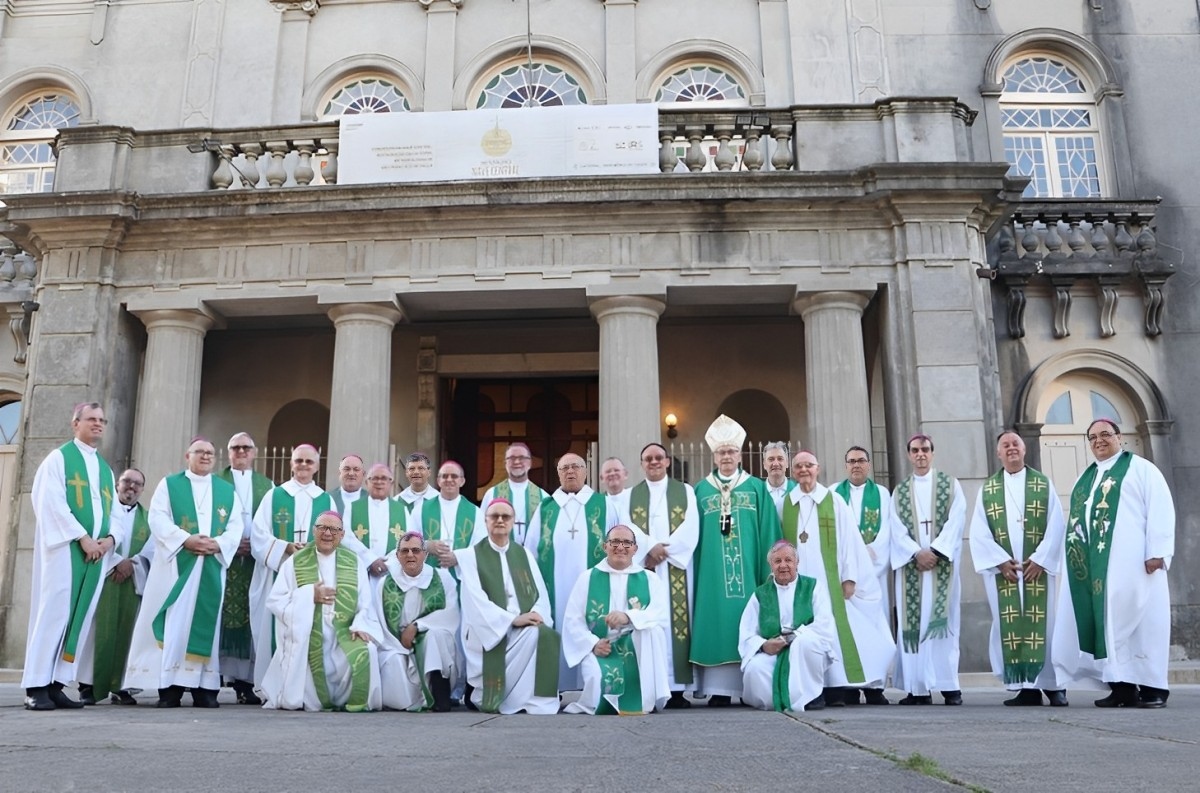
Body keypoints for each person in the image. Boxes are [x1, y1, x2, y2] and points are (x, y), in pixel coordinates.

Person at [1052, 419, 1176, 709]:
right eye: (1093, 437)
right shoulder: (1087, 478)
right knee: (1108, 627)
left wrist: (1158, 551)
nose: (1099, 440)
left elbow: (1160, 507)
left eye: (1105, 434)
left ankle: (1154, 688)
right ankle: (1121, 687)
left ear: (1120, 437)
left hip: (1137, 567)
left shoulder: (1142, 469)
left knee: (1144, 626)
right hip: (1099, 572)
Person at [124, 437, 247, 708]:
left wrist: (218, 544)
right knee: (174, 623)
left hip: (210, 565)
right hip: (175, 568)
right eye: (199, 452)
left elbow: (235, 525)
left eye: (210, 453)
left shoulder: (226, 490)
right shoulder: (169, 485)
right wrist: (185, 540)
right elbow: (157, 518)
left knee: (205, 623)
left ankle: (204, 687)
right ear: (187, 456)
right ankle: (170, 688)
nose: (206, 456)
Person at [23, 403, 123, 711]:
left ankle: (56, 685)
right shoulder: (59, 459)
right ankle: (36, 686)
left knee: (80, 616)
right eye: (91, 419)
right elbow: (50, 502)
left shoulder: (105, 470)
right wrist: (82, 538)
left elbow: (115, 513)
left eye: (102, 420)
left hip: (95, 556)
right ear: (75, 423)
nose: (98, 424)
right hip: (66, 551)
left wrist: (110, 540)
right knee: (54, 614)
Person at [783, 450, 894, 706]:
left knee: (834, 631)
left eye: (809, 465)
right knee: (805, 631)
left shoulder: (833, 500)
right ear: (793, 471)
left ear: (818, 468)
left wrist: (850, 577)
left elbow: (849, 541)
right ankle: (814, 688)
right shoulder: (787, 503)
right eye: (798, 466)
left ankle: (835, 687)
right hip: (800, 584)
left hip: (829, 580)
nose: (804, 470)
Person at [969, 431, 1068, 706]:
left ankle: (1054, 687)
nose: (1011, 448)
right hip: (1006, 573)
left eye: (1016, 444)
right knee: (1011, 626)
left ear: (1024, 450)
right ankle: (1026, 688)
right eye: (1005, 445)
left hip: (1038, 571)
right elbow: (978, 532)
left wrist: (1041, 559)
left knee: (1045, 626)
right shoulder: (988, 489)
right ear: (998, 453)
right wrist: (1000, 562)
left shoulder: (1042, 484)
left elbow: (1056, 524)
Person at [691, 414, 782, 706]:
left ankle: (747, 688)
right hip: (712, 577)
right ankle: (718, 690)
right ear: (714, 456)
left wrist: (769, 572)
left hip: (749, 573)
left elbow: (769, 530)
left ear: (740, 455)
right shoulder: (700, 490)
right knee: (716, 622)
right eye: (721, 452)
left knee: (750, 621)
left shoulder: (756, 488)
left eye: (731, 451)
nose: (726, 456)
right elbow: (692, 539)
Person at [261, 511, 382, 712]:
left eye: (334, 529)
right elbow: (275, 601)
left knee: (367, 649)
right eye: (322, 528)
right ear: (313, 531)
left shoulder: (354, 562)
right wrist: (309, 596)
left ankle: (354, 700)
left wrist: (360, 625)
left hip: (344, 631)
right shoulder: (295, 562)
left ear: (342, 535)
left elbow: (365, 603)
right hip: (308, 633)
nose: (327, 533)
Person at [456, 498, 559, 714]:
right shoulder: (470, 556)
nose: (500, 520)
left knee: (544, 634)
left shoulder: (524, 554)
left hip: (522, 627)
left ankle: (530, 699)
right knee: (528, 636)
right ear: (486, 521)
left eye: (506, 517)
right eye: (494, 516)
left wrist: (536, 613)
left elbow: (540, 593)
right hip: (490, 630)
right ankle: (496, 696)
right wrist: (512, 620)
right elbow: (475, 600)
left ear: (513, 522)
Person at [888, 433, 966, 705]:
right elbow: (895, 529)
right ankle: (918, 689)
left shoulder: (950, 485)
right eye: (915, 450)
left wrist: (935, 551)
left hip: (940, 566)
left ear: (932, 453)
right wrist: (915, 553)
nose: (920, 454)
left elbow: (956, 521)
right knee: (914, 628)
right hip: (912, 567)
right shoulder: (900, 491)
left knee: (943, 627)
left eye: (925, 449)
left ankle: (950, 687)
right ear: (909, 455)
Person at [621, 442, 699, 708]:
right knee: (648, 623)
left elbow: (691, 527)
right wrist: (648, 548)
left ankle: (676, 690)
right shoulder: (629, 496)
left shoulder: (685, 491)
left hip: (676, 569)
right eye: (648, 459)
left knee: (676, 625)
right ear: (642, 464)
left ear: (667, 462)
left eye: (658, 458)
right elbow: (627, 528)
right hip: (645, 569)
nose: (653, 462)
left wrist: (663, 551)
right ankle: (648, 685)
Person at [562, 525, 670, 715]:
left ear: (635, 549)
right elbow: (573, 620)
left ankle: (644, 698)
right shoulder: (587, 578)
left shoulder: (649, 579)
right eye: (615, 542)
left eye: (627, 543)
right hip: (602, 648)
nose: (621, 547)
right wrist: (592, 644)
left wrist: (628, 617)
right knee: (598, 686)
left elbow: (660, 613)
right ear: (605, 546)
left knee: (653, 631)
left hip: (637, 646)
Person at [249, 444, 333, 686]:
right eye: (299, 461)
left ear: (317, 466)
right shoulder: (274, 496)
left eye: (309, 461)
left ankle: (305, 686)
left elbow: (338, 535)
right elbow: (258, 534)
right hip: (279, 573)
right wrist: (285, 547)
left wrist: (315, 550)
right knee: (274, 626)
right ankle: (272, 685)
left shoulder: (325, 499)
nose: (303, 465)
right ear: (291, 464)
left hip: (314, 573)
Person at [533, 452, 607, 691]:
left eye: (576, 466)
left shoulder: (604, 505)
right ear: (558, 474)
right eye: (564, 468)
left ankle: (593, 687)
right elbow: (531, 550)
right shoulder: (545, 507)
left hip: (593, 585)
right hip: (554, 587)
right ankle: (557, 685)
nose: (570, 471)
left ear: (586, 471)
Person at [739, 541, 836, 712]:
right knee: (755, 669)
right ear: (771, 565)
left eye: (788, 560)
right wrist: (764, 645)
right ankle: (779, 700)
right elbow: (747, 632)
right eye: (777, 561)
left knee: (804, 643)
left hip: (803, 648)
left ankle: (811, 695)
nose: (783, 565)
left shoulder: (813, 587)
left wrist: (792, 638)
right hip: (774, 652)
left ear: (797, 562)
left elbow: (824, 623)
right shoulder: (761, 594)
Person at [834, 445, 896, 704]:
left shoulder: (881, 494)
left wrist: (866, 560)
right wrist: (848, 565)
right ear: (846, 466)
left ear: (869, 464)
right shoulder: (834, 494)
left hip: (873, 576)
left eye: (861, 460)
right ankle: (849, 686)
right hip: (844, 576)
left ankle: (875, 687)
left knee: (875, 631)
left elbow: (887, 531)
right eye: (851, 461)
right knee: (848, 631)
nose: (856, 465)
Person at [373, 532, 461, 712]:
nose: (410, 555)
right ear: (397, 556)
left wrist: (417, 626)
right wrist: (398, 643)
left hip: (430, 638)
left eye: (416, 550)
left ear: (425, 554)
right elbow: (379, 621)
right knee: (395, 664)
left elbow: (450, 613)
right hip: (396, 644)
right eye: (404, 551)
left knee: (435, 636)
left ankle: (440, 692)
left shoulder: (442, 579)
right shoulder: (385, 584)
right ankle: (420, 699)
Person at [217, 431, 274, 705]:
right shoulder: (215, 484)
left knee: (251, 618)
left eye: (246, 448)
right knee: (217, 619)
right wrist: (230, 544)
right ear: (228, 452)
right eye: (236, 447)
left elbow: (270, 522)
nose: (241, 452)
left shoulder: (268, 486)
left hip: (254, 562)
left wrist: (256, 546)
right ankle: (210, 681)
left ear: (254, 452)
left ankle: (244, 684)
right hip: (222, 561)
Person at [86, 468, 151, 706]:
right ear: (117, 485)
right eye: (127, 481)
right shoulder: (104, 512)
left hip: (133, 580)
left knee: (129, 632)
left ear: (142, 490)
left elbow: (153, 549)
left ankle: (122, 686)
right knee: (96, 632)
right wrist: (115, 562)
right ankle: (89, 685)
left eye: (137, 484)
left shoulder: (149, 519)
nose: (131, 487)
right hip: (103, 577)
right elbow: (95, 537)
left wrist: (132, 564)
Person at [407, 460, 483, 569]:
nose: (449, 479)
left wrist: (458, 557)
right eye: (445, 476)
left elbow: (481, 547)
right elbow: (408, 540)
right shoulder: (420, 510)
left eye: (454, 476)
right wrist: (426, 545)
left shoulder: (476, 513)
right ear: (438, 481)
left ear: (462, 481)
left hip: (461, 575)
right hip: (429, 573)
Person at [342, 463, 409, 577]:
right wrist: (370, 560)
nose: (379, 482)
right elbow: (345, 537)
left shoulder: (402, 510)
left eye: (384, 478)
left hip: (391, 573)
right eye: (374, 478)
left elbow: (408, 539)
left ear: (391, 483)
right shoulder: (352, 507)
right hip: (360, 571)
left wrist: (389, 563)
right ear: (367, 482)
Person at [481, 442, 545, 550]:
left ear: (530, 463)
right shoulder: (492, 494)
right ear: (505, 463)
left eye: (522, 458)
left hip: (532, 556)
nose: (516, 462)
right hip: (499, 554)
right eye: (511, 458)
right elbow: (482, 528)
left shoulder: (543, 496)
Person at [762, 442, 795, 521]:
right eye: (771, 459)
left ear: (787, 463)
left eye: (780, 459)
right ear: (764, 464)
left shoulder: (796, 490)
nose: (776, 463)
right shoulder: (758, 492)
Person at [599, 457, 630, 529]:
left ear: (625, 474)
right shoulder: (596, 504)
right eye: (608, 471)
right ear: (601, 478)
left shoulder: (636, 500)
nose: (612, 474)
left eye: (616, 470)